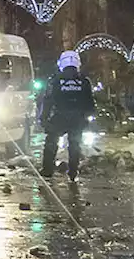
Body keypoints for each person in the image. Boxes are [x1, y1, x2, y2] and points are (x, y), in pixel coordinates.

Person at [40, 50, 96, 181]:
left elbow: (48, 100)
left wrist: (43, 118)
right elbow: (90, 101)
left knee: (51, 142)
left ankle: (47, 170)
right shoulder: (84, 81)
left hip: (59, 116)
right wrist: (88, 118)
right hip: (77, 118)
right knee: (75, 145)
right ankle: (73, 171)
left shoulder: (55, 80)